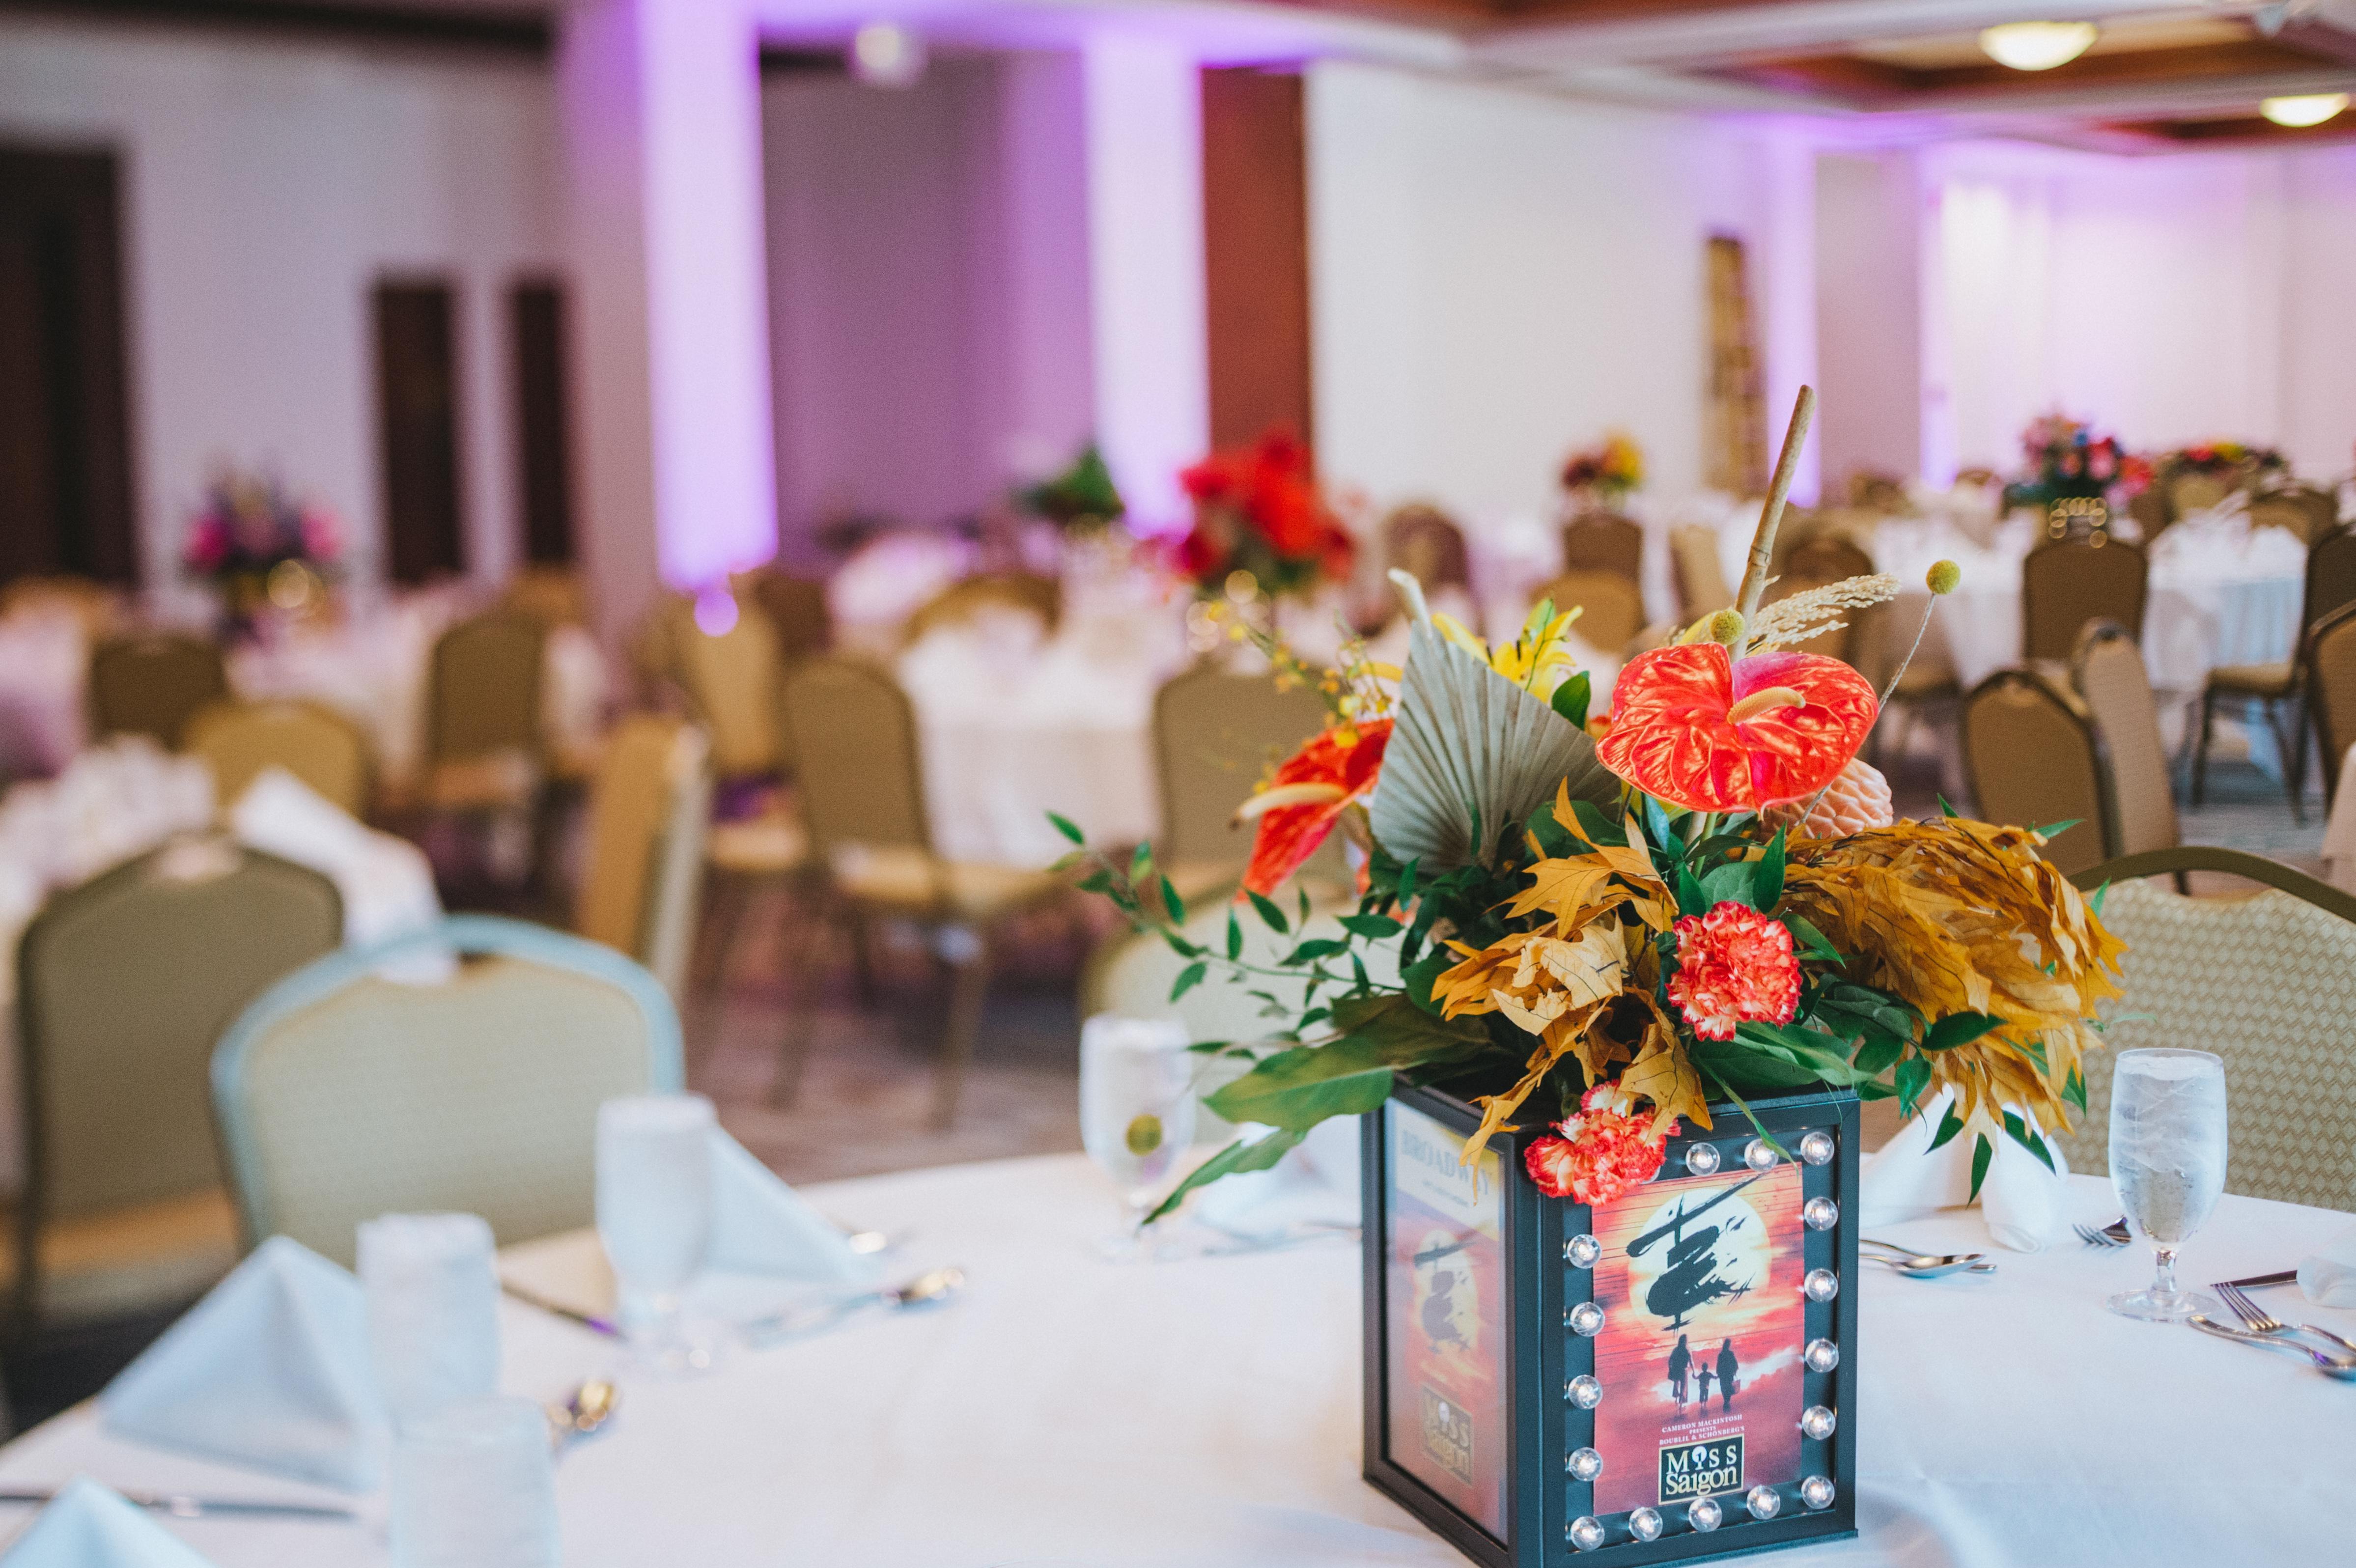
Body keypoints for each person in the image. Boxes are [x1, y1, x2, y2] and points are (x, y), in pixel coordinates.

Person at [1666, 1334, 1691, 1410]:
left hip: (1676, 1369)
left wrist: (1670, 1369)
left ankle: (1676, 1399)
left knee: (1676, 1384)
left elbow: (1670, 1360)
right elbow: (1691, 1361)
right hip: (1684, 1370)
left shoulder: (1676, 1350)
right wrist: (1694, 1371)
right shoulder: (1687, 1350)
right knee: (1684, 1386)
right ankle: (1681, 1404)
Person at [1717, 1339, 1740, 1411]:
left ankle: (1726, 1402)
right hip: (1729, 1374)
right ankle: (1727, 1402)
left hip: (1723, 1375)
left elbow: (1718, 1366)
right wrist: (1735, 1371)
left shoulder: (1721, 1355)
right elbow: (1735, 1364)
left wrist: (1719, 1374)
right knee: (1728, 1387)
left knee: (1724, 1388)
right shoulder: (1730, 1354)